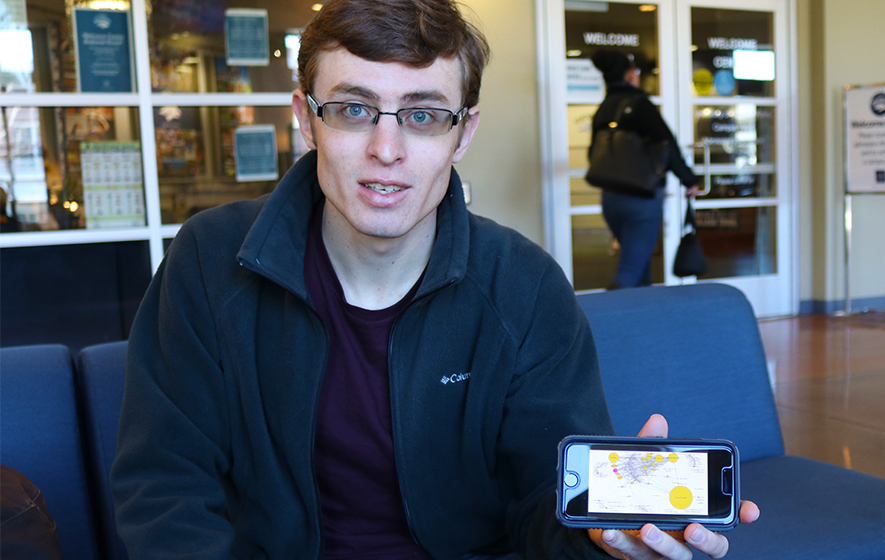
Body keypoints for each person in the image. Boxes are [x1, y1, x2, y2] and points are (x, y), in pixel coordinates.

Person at [110, 1, 756, 559]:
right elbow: (165, 486)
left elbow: (545, 503)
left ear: (462, 132)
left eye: (421, 115)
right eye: (354, 109)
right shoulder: (211, 257)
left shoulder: (524, 285)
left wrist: (610, 540)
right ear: (306, 121)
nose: (386, 149)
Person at [589, 50, 701, 289]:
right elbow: (667, 146)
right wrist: (689, 180)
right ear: (630, 75)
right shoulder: (641, 105)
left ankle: (641, 320)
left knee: (639, 265)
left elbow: (593, 154)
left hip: (611, 200)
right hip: (642, 201)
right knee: (629, 272)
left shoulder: (604, 108)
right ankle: (608, 318)